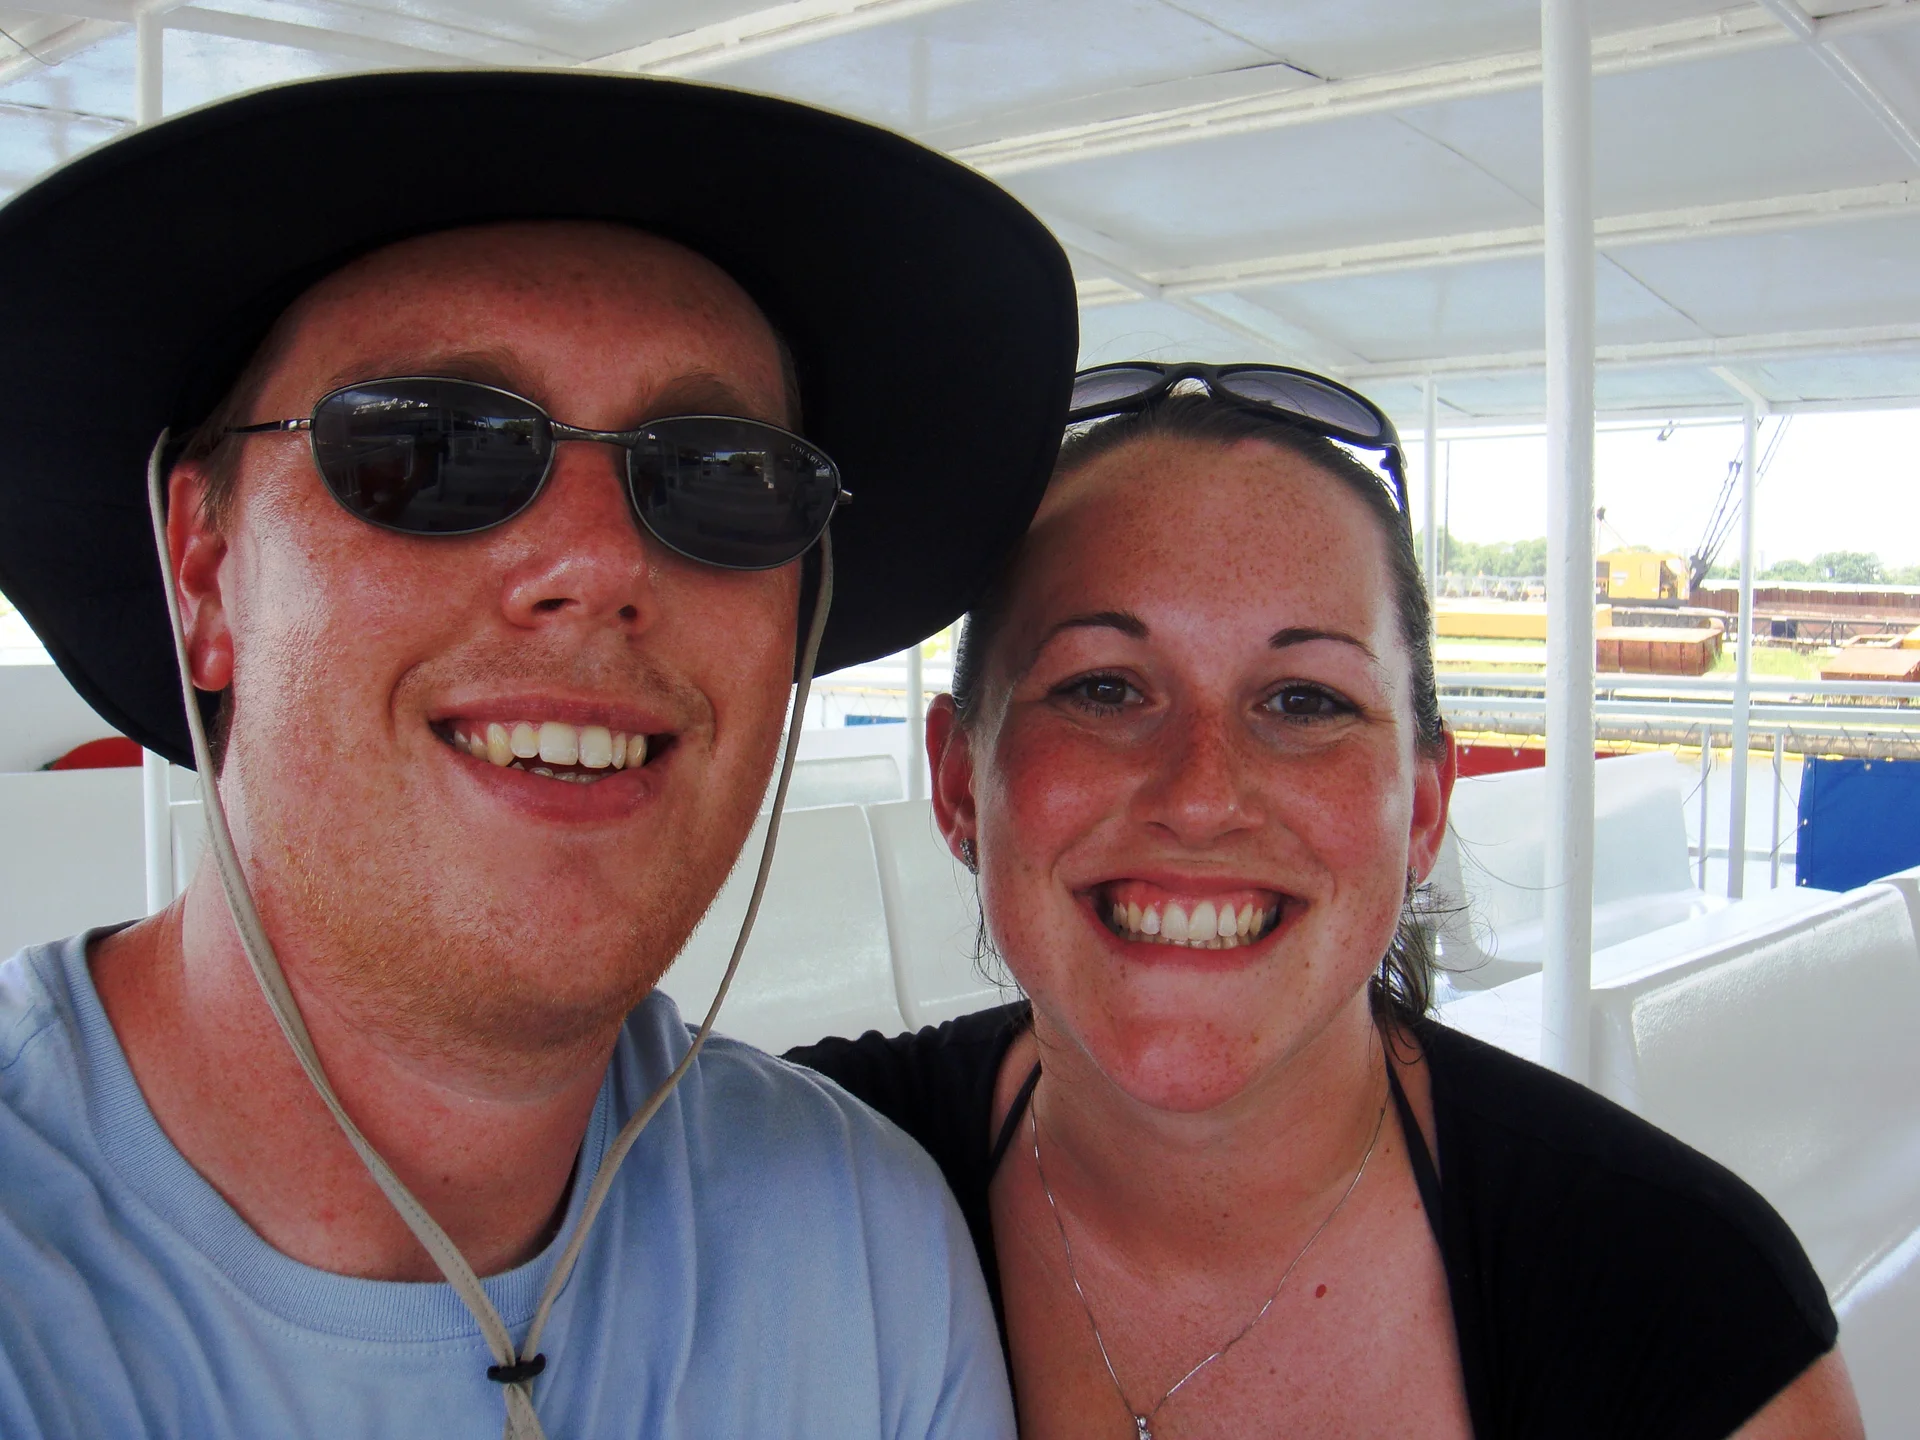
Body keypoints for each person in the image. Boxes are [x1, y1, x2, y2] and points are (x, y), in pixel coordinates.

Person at [0, 70, 1079, 1438]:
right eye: (429, 445)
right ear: (205, 574)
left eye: (724, 476)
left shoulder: (862, 1251)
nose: (598, 561)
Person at [791, 363, 1862, 1439]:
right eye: (1102, 687)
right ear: (958, 782)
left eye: (1305, 701)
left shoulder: (1687, 1313)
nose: (1201, 796)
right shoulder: (776, 1193)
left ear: (1423, 812)